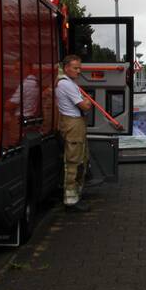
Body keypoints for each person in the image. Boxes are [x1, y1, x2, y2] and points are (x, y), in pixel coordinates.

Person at [56, 54, 92, 212]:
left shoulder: (69, 83)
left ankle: (75, 194)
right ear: (66, 68)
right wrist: (88, 102)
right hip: (73, 123)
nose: (78, 71)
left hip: (74, 123)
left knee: (80, 158)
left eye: (80, 68)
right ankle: (71, 200)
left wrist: (86, 101)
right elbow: (84, 106)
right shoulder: (66, 85)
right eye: (75, 68)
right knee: (73, 161)